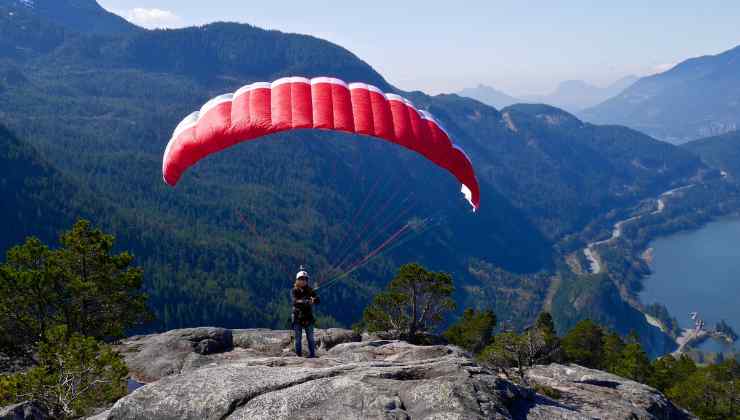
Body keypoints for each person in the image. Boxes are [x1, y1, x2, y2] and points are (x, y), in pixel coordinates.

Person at [292, 267, 320, 357]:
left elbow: (318, 300)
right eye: (301, 279)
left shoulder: (310, 290)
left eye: (305, 279)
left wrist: (314, 300)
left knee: (311, 338)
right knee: (298, 339)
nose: (303, 281)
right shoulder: (295, 290)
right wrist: (307, 301)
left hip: (308, 317)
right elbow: (295, 302)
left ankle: (312, 355)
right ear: (297, 280)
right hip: (298, 317)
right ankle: (298, 355)